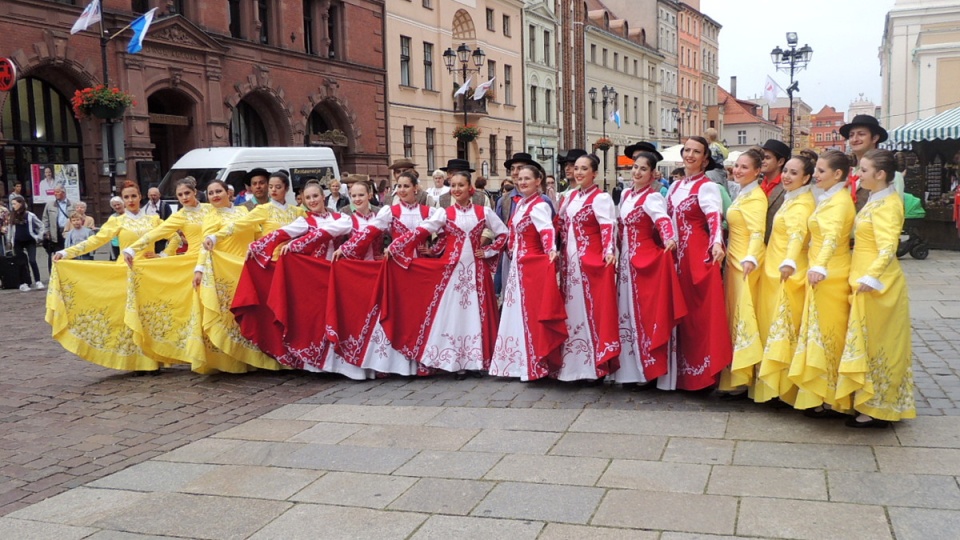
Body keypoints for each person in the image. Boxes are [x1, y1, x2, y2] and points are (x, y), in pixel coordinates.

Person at [240, 180, 368, 379]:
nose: (312, 201)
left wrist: (298, 243)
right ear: (304, 201)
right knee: (317, 321)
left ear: (323, 197)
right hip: (314, 278)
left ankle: (345, 363)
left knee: (340, 318)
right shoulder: (304, 221)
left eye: (315, 196)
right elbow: (281, 233)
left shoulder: (341, 217)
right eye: (308, 198)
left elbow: (333, 231)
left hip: (338, 275)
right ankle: (319, 363)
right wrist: (257, 247)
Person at [391, 171, 508, 378]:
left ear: (469, 187)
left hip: (476, 271)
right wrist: (398, 245)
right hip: (451, 270)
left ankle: (477, 360)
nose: (456, 190)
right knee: (453, 313)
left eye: (460, 185)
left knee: (476, 311)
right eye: (453, 185)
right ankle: (454, 360)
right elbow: (424, 231)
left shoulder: (483, 212)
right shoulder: (444, 213)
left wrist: (489, 250)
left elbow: (504, 233)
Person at [49, 181, 166, 374]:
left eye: (133, 196)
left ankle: (152, 359)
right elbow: (95, 240)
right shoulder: (117, 221)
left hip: (148, 273)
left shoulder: (154, 220)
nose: (130, 200)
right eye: (126, 197)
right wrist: (67, 252)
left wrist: (162, 255)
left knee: (147, 315)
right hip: (124, 272)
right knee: (127, 316)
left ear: (140, 197)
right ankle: (134, 361)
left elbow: (175, 237)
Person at [836, 149, 914, 427]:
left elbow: (888, 247)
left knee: (880, 343)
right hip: (864, 276)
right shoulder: (875, 199)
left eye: (864, 170)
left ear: (880, 175)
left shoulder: (889, 204)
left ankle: (879, 406)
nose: (858, 174)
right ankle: (867, 401)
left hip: (878, 283)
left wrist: (872, 276)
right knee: (866, 340)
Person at [204, 171, 304, 371]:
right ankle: (277, 355)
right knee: (274, 312)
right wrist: (216, 237)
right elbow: (239, 225)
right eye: (271, 187)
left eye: (278, 186)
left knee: (295, 311)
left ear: (286, 188)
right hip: (272, 268)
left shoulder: (298, 212)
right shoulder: (264, 210)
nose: (273, 190)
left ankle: (299, 352)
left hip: (294, 267)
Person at [352, 170, 447, 375]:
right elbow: (372, 231)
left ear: (416, 188)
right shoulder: (390, 211)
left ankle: (422, 360)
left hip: (420, 271)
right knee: (398, 313)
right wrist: (349, 248)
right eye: (399, 186)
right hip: (397, 270)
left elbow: (448, 232)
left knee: (420, 314)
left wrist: (433, 250)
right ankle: (391, 362)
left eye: (406, 186)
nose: (402, 190)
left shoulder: (428, 211)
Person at [789, 149, 856, 415]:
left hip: (830, 273)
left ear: (837, 174)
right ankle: (820, 393)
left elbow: (831, 237)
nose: (815, 175)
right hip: (823, 270)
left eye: (820, 171)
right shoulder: (831, 197)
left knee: (829, 333)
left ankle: (831, 396)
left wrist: (819, 266)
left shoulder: (839, 202)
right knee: (819, 331)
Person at [613, 146, 686, 388]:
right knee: (626, 313)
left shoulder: (652, 197)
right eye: (635, 167)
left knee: (643, 315)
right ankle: (629, 370)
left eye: (643, 169)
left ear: (653, 174)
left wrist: (670, 239)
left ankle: (647, 368)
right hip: (625, 263)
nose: (637, 172)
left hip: (643, 261)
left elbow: (663, 220)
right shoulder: (625, 196)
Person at [664, 136, 732, 391]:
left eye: (697, 152)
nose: (690, 155)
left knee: (698, 316)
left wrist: (716, 244)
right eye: (687, 150)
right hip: (675, 258)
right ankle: (678, 373)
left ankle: (701, 375)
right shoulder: (675, 186)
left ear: (705, 159)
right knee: (678, 314)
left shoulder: (707, 187)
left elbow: (715, 218)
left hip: (696, 257)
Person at [489, 164, 567, 381]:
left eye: (527, 179)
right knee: (515, 311)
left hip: (531, 265)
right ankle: (514, 361)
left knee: (528, 312)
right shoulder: (522, 204)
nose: (522, 182)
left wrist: (551, 251)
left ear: (537, 181)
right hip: (518, 265)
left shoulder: (539, 205)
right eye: (520, 179)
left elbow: (546, 231)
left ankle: (532, 362)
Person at [121, 178, 211, 365]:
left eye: (187, 193)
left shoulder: (210, 210)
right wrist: (133, 249)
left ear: (195, 192)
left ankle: (218, 352)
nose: (184, 198)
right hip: (192, 263)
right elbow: (157, 233)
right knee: (195, 308)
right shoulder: (180, 216)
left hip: (214, 260)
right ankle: (198, 354)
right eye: (180, 195)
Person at [754, 154, 816, 404]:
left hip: (787, 272)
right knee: (773, 328)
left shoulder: (802, 204)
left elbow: (797, 235)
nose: (787, 177)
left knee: (785, 329)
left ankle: (785, 388)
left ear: (807, 178)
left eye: (794, 173)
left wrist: (789, 262)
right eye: (786, 171)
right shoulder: (792, 198)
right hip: (774, 269)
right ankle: (774, 386)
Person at [555, 153, 621, 381]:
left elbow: (607, 227)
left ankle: (593, 366)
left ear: (595, 173)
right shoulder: (570, 197)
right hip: (569, 262)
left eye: (584, 169)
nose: (579, 172)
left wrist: (609, 252)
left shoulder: (600, 198)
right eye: (577, 168)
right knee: (571, 310)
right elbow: (561, 227)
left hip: (589, 261)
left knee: (590, 310)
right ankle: (571, 365)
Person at [188, 180, 256, 374]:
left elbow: (257, 233)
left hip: (245, 267)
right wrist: (199, 269)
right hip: (223, 270)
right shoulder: (210, 217)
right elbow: (206, 245)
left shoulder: (244, 212)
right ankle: (230, 361)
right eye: (211, 193)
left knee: (248, 312)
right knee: (229, 315)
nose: (215, 195)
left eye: (219, 191)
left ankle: (251, 357)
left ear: (229, 193)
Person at [718, 149, 768, 398]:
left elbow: (758, 233)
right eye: (736, 166)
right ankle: (734, 375)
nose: (737, 170)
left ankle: (743, 376)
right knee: (733, 316)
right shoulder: (742, 193)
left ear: (758, 171)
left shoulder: (756, 198)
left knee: (743, 316)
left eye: (744, 167)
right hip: (734, 260)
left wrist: (750, 259)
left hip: (745, 263)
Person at [840, 114, 905, 211]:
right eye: (851, 135)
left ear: (874, 138)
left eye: (861, 134)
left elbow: (894, 212)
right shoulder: (848, 173)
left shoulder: (892, 176)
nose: (854, 139)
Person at [7, 196, 45, 291]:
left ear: (21, 204)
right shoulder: (12, 216)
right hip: (17, 241)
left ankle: (38, 281)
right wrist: (9, 240)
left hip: (29, 240)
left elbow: (41, 225)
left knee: (32, 260)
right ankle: (23, 283)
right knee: (21, 262)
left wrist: (39, 237)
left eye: (15, 204)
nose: (13, 206)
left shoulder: (30, 215)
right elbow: (10, 229)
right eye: (12, 204)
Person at [760, 139, 790, 243]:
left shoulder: (787, 188)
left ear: (780, 162)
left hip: (777, 246)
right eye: (762, 157)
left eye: (767, 158)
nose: (762, 161)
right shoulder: (757, 184)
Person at [41, 185, 75, 272]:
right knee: (56, 254)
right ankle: (55, 274)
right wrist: (46, 231)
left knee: (68, 253)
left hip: (68, 232)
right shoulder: (50, 204)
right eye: (54, 192)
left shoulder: (72, 204)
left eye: (57, 192)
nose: (55, 194)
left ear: (63, 193)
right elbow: (45, 219)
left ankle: (68, 273)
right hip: (55, 233)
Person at [107, 197, 123, 261]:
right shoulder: (112, 217)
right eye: (114, 205)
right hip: (116, 243)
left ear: (122, 204)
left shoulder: (129, 214)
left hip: (128, 243)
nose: (117, 207)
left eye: (118, 204)